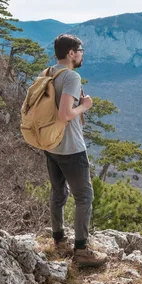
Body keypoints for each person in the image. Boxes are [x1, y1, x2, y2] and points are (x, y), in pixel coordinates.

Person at [43, 33, 108, 267]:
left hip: (51, 144)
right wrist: (85, 106)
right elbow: (65, 114)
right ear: (71, 53)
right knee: (85, 196)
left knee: (58, 193)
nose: (82, 55)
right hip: (70, 147)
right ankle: (81, 251)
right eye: (80, 51)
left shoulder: (49, 72)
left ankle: (59, 240)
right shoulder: (71, 76)